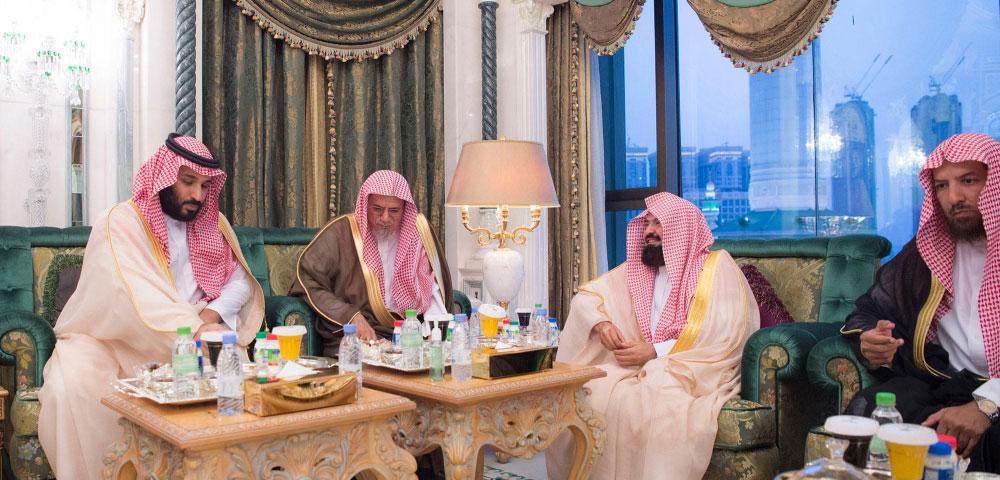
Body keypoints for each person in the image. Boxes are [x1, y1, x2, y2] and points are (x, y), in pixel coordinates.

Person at [37, 134, 264, 479]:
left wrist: (210, 316)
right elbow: (129, 296)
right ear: (163, 176)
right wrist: (195, 329)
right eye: (188, 181)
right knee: (72, 386)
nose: (197, 195)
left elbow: (240, 282)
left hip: (194, 334)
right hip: (111, 338)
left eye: (205, 186)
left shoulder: (212, 223)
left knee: (232, 371)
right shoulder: (120, 222)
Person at [545, 192, 760, 480]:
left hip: (696, 367)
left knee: (656, 394)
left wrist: (656, 351)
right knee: (590, 391)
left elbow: (725, 333)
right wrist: (602, 325)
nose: (648, 231)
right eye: (646, 223)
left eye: (658, 223)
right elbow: (586, 298)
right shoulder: (639, 270)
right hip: (641, 367)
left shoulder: (716, 268)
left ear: (681, 228)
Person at [843, 132, 1000, 473]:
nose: (954, 197)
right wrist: (872, 339)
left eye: (968, 181)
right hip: (950, 383)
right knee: (872, 409)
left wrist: (987, 406)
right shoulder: (928, 251)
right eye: (942, 186)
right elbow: (869, 311)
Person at [291, 170, 452, 355]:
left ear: (405, 210)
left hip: (412, 335)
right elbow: (308, 279)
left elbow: (431, 288)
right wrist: (350, 315)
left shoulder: (418, 234)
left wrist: (434, 329)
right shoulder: (341, 232)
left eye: (394, 211)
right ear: (365, 204)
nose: (385, 218)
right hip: (361, 336)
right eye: (377, 209)